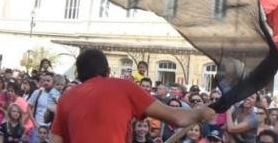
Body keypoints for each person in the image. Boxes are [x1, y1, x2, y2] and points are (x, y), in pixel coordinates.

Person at [49, 49, 215, 143]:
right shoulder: (124, 87)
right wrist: (200, 112)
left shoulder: (66, 98)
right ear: (107, 71)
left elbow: (55, 140)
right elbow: (177, 118)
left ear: (78, 74)